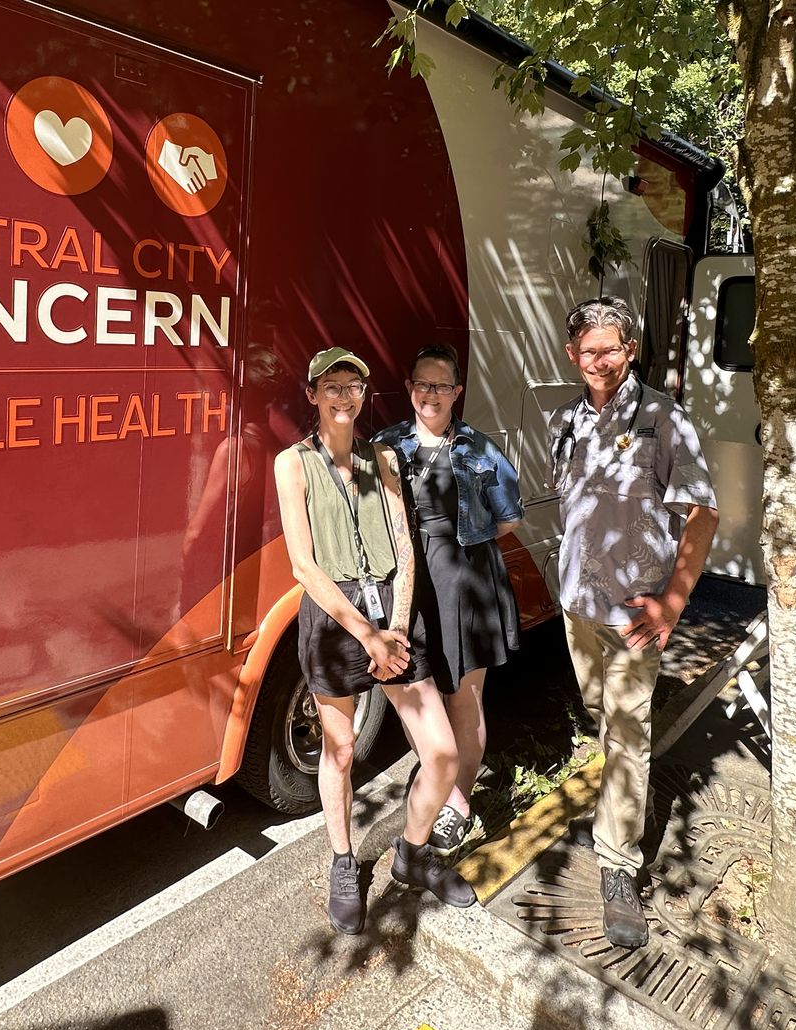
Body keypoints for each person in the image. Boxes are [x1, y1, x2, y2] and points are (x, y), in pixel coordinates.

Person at [274, 346, 478, 935]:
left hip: (391, 610)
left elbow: (405, 546)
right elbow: (304, 566)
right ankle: (343, 861)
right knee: (339, 751)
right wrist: (367, 635)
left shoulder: (382, 457)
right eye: (331, 386)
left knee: (440, 753)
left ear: (364, 395)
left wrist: (395, 625)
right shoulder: (293, 464)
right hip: (336, 621)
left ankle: (412, 854)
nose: (343, 396)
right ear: (312, 395)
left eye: (353, 386)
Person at [546, 298, 718, 949]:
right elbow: (572, 506)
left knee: (625, 730)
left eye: (611, 349)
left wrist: (672, 602)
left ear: (631, 349)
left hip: (636, 614)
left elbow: (702, 516)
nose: (600, 362)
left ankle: (619, 866)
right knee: (601, 714)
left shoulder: (664, 419)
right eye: (588, 351)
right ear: (572, 355)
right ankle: (627, 797)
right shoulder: (564, 421)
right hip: (577, 607)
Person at [374, 343, 523, 855]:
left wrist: (460, 552)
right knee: (419, 693)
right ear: (409, 387)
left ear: (457, 391)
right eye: (421, 383)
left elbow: (509, 517)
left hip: (465, 584)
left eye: (440, 385)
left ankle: (458, 801)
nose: (430, 393)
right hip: (409, 588)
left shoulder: (479, 448)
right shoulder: (386, 444)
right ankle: (439, 767)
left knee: (464, 698)